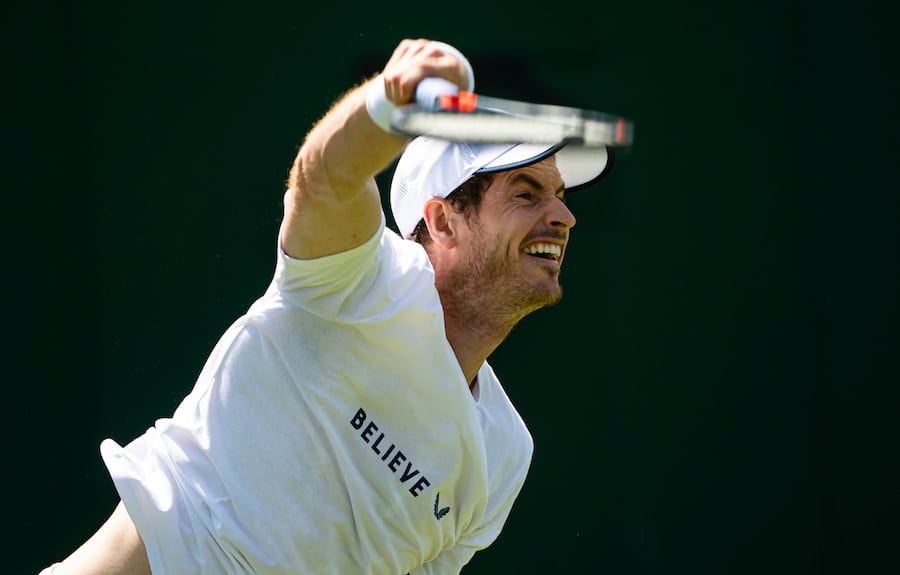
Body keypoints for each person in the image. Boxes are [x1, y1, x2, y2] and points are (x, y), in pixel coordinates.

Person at [40, 38, 616, 575]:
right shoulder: (361, 279)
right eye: (526, 193)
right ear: (443, 221)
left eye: (560, 196)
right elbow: (324, 181)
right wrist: (388, 99)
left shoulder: (503, 455)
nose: (563, 217)